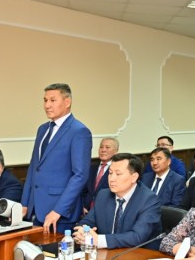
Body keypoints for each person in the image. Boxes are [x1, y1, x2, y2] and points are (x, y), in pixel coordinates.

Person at [22, 83, 92, 233]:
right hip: (34, 210)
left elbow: (80, 175)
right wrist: (25, 203)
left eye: (53, 100)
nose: (47, 105)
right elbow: (34, 168)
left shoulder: (79, 131)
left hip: (59, 213)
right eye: (45, 100)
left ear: (67, 102)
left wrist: (58, 210)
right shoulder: (42, 129)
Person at [75, 153, 161, 249]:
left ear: (134, 177)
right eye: (110, 173)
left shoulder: (149, 200)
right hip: (107, 253)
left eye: (118, 174)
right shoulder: (103, 195)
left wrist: (99, 240)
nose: (111, 179)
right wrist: (82, 232)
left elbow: (137, 237)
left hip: (139, 253)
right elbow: (87, 221)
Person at [82, 137, 119, 213]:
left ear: (116, 151)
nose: (103, 150)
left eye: (107, 147)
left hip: (106, 212)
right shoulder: (91, 168)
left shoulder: (118, 170)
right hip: (86, 212)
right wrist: (82, 206)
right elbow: (83, 190)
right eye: (101, 147)